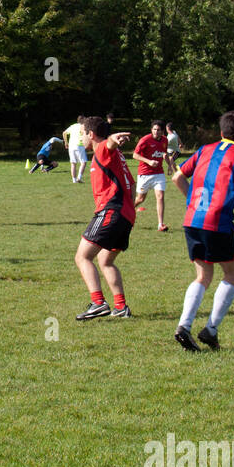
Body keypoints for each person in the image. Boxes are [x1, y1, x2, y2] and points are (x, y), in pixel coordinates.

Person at [171, 111, 234, 351]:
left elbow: (177, 177)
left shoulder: (204, 150)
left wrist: (194, 201)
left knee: (202, 276)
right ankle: (210, 329)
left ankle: (183, 327)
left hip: (192, 219)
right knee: (233, 274)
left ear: (221, 132)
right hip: (218, 222)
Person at [74, 117, 136, 320]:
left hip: (111, 211)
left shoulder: (102, 149)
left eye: (83, 133)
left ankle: (98, 303)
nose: (81, 137)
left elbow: (107, 144)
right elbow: (132, 185)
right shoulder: (118, 156)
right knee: (105, 260)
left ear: (91, 134)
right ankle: (120, 307)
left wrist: (111, 138)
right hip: (126, 216)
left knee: (82, 257)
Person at [131, 120, 171, 232]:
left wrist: (169, 165)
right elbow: (135, 155)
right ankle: (126, 211)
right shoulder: (145, 140)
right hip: (145, 173)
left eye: (158, 130)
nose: (156, 132)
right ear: (151, 130)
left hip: (159, 173)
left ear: (163, 131)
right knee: (140, 199)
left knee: (160, 196)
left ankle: (160, 224)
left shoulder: (164, 140)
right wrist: (148, 162)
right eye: (154, 129)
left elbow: (164, 153)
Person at [63, 115, 88, 183]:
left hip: (71, 146)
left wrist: (66, 142)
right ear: (83, 120)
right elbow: (84, 135)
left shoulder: (73, 126)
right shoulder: (83, 126)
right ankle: (79, 177)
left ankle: (74, 180)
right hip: (79, 145)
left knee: (73, 163)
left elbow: (64, 133)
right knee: (83, 162)